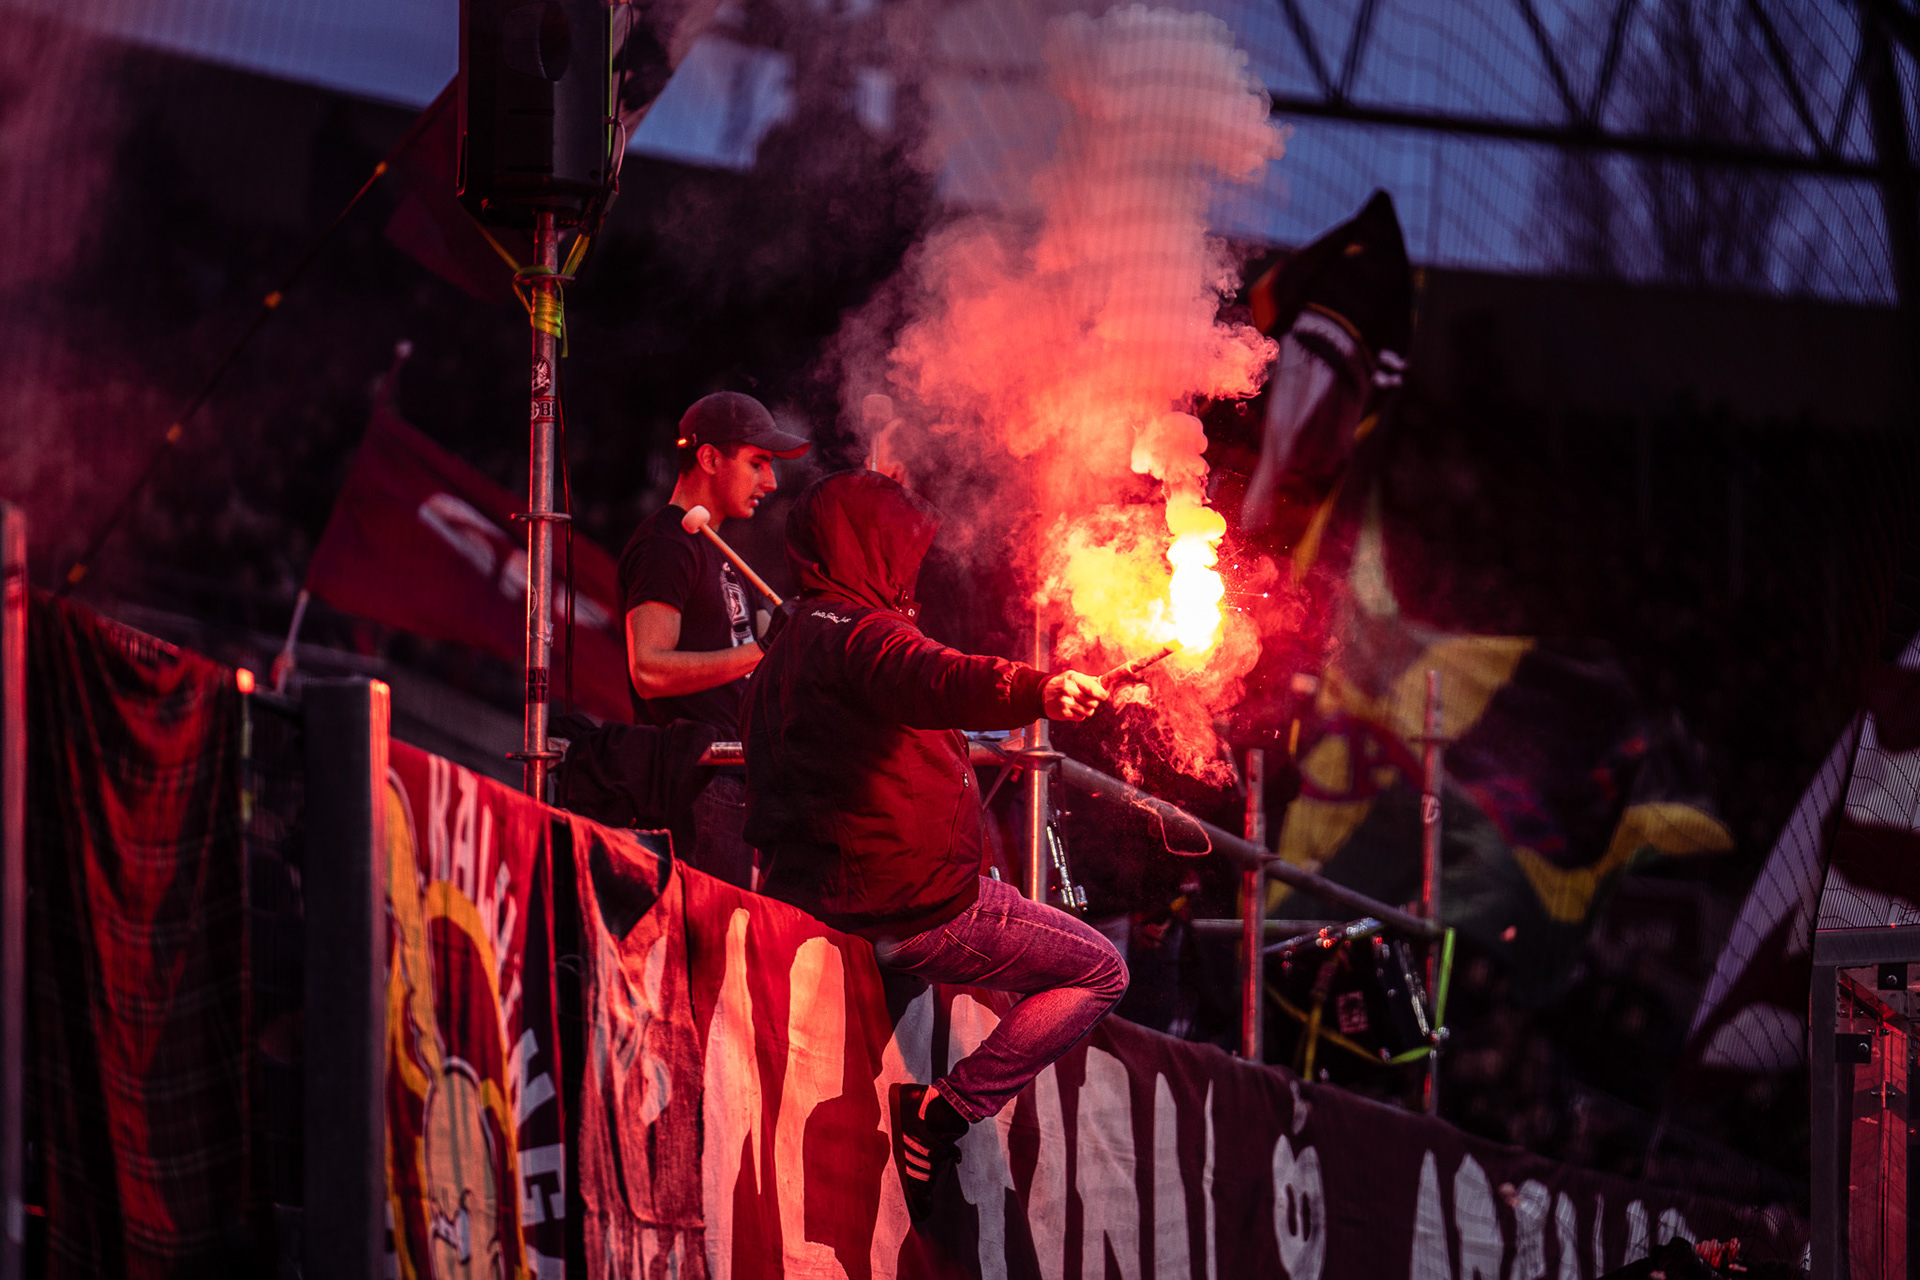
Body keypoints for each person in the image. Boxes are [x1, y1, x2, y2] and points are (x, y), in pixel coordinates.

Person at [740, 469, 1127, 1221]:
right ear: (869, 547)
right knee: (1100, 970)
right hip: (909, 907)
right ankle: (944, 1111)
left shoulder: (790, 645)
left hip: (822, 899)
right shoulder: (864, 634)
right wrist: (1037, 689)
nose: (911, 571)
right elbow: (934, 674)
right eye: (902, 550)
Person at [616, 391, 808, 886]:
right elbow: (649, 670)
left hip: (730, 784)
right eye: (757, 462)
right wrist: (763, 649)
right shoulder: (666, 544)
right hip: (697, 783)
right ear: (709, 458)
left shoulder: (716, 550)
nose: (771, 481)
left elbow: (754, 658)